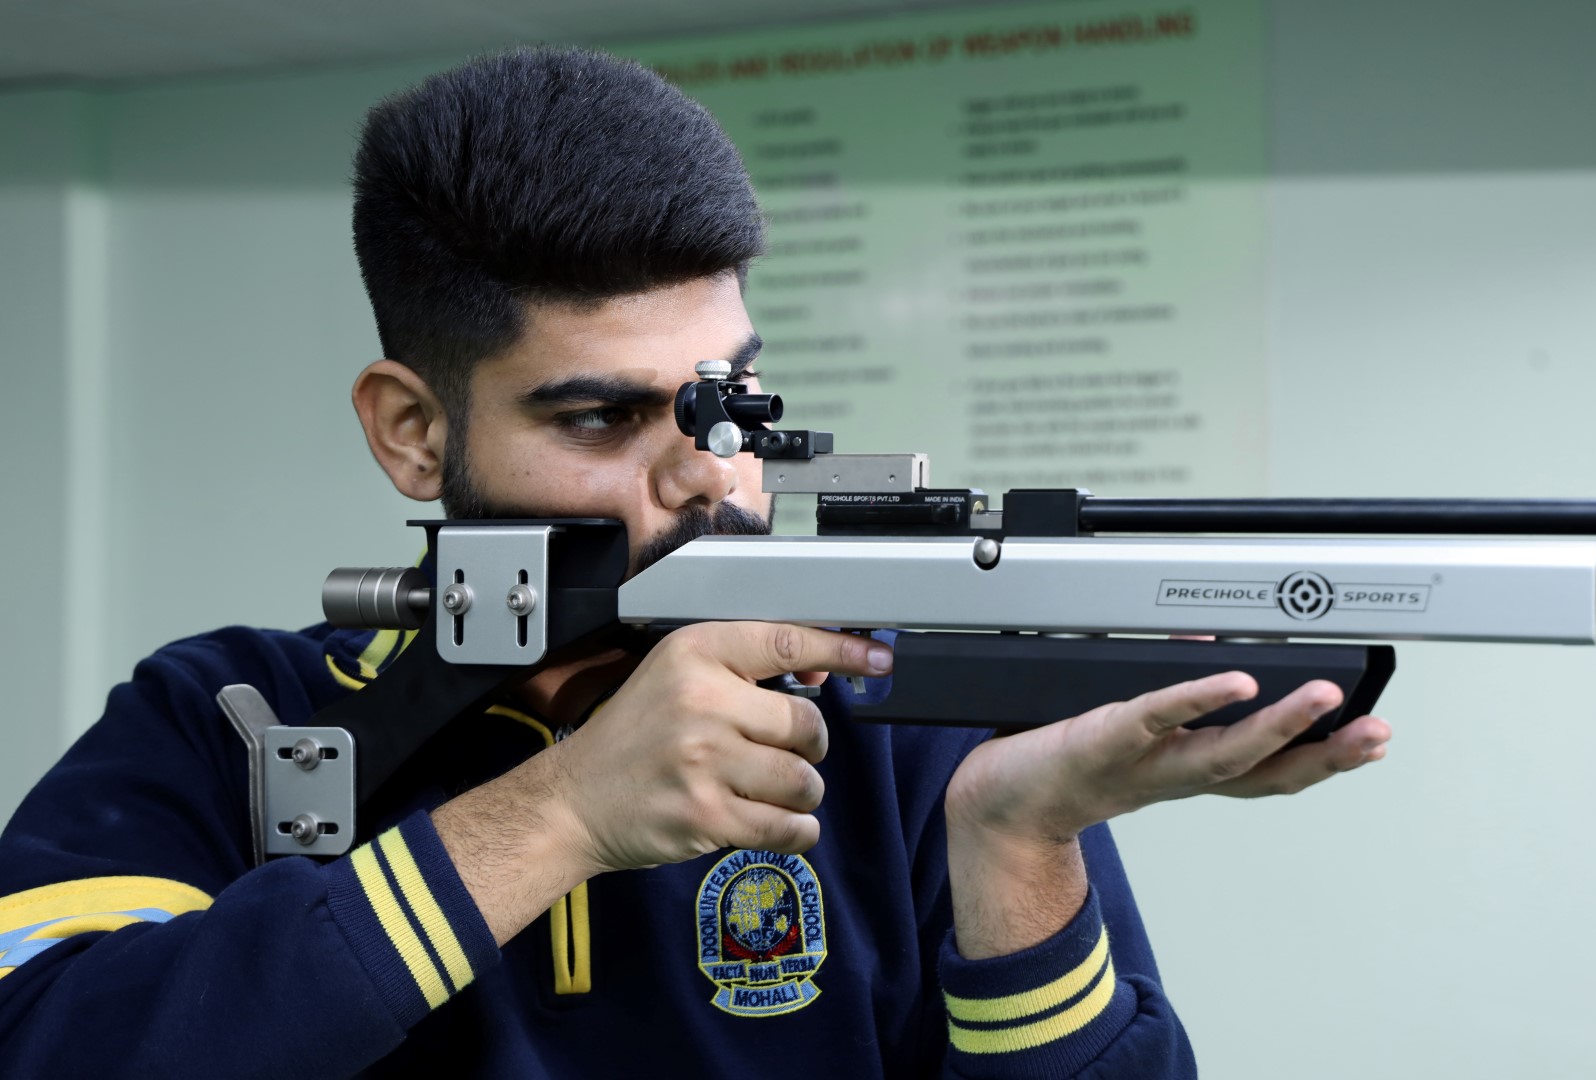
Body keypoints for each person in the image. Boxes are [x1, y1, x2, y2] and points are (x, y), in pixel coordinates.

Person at [0, 47, 1391, 1078]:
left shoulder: (899, 730)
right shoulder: (228, 721)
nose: (709, 476)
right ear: (415, 433)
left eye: (732, 405)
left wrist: (1017, 845)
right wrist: (557, 817)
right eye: (602, 415)